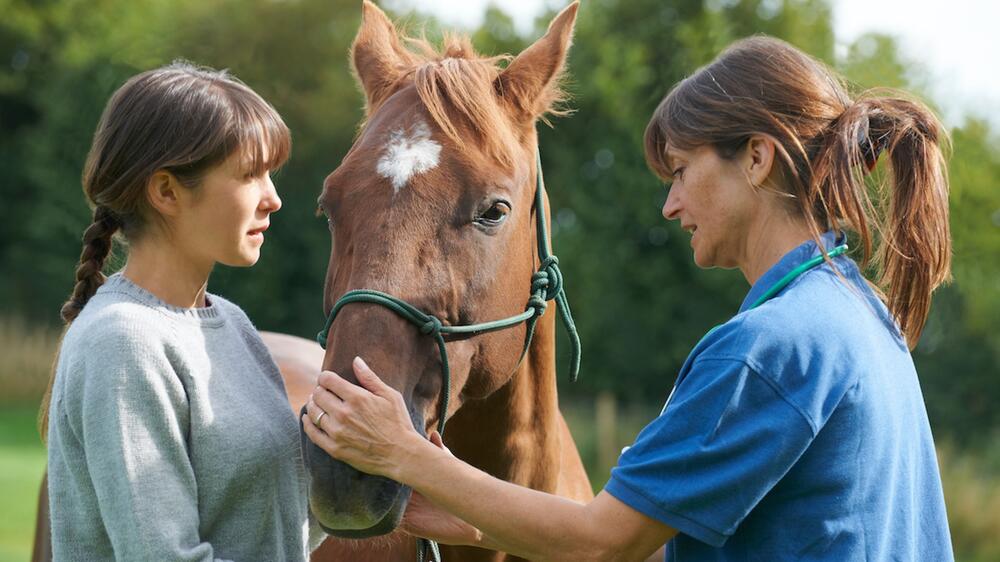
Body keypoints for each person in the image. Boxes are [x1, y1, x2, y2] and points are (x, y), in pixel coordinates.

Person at [301, 36, 955, 561]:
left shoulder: (766, 349)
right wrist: (476, 520)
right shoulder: (859, 315)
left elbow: (604, 543)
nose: (671, 205)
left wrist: (405, 454)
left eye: (681, 171)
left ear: (756, 159)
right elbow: (652, 534)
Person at [43, 62, 324, 560]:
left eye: (270, 175)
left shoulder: (233, 324)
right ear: (167, 190)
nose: (274, 199)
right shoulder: (122, 341)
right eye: (249, 175)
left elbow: (273, 535)